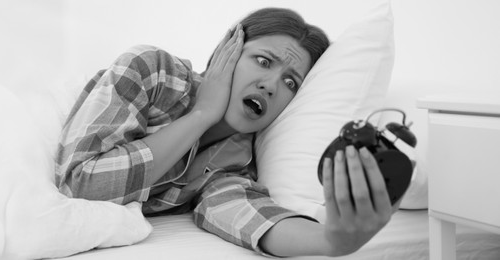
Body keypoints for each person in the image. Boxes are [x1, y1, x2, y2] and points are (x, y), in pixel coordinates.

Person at [55, 7, 398, 257]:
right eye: (264, 61)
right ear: (226, 51)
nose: (270, 85)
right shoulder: (153, 71)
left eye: (290, 82)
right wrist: (202, 114)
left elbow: (247, 215)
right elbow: (81, 183)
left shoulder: (235, 164)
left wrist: (331, 241)